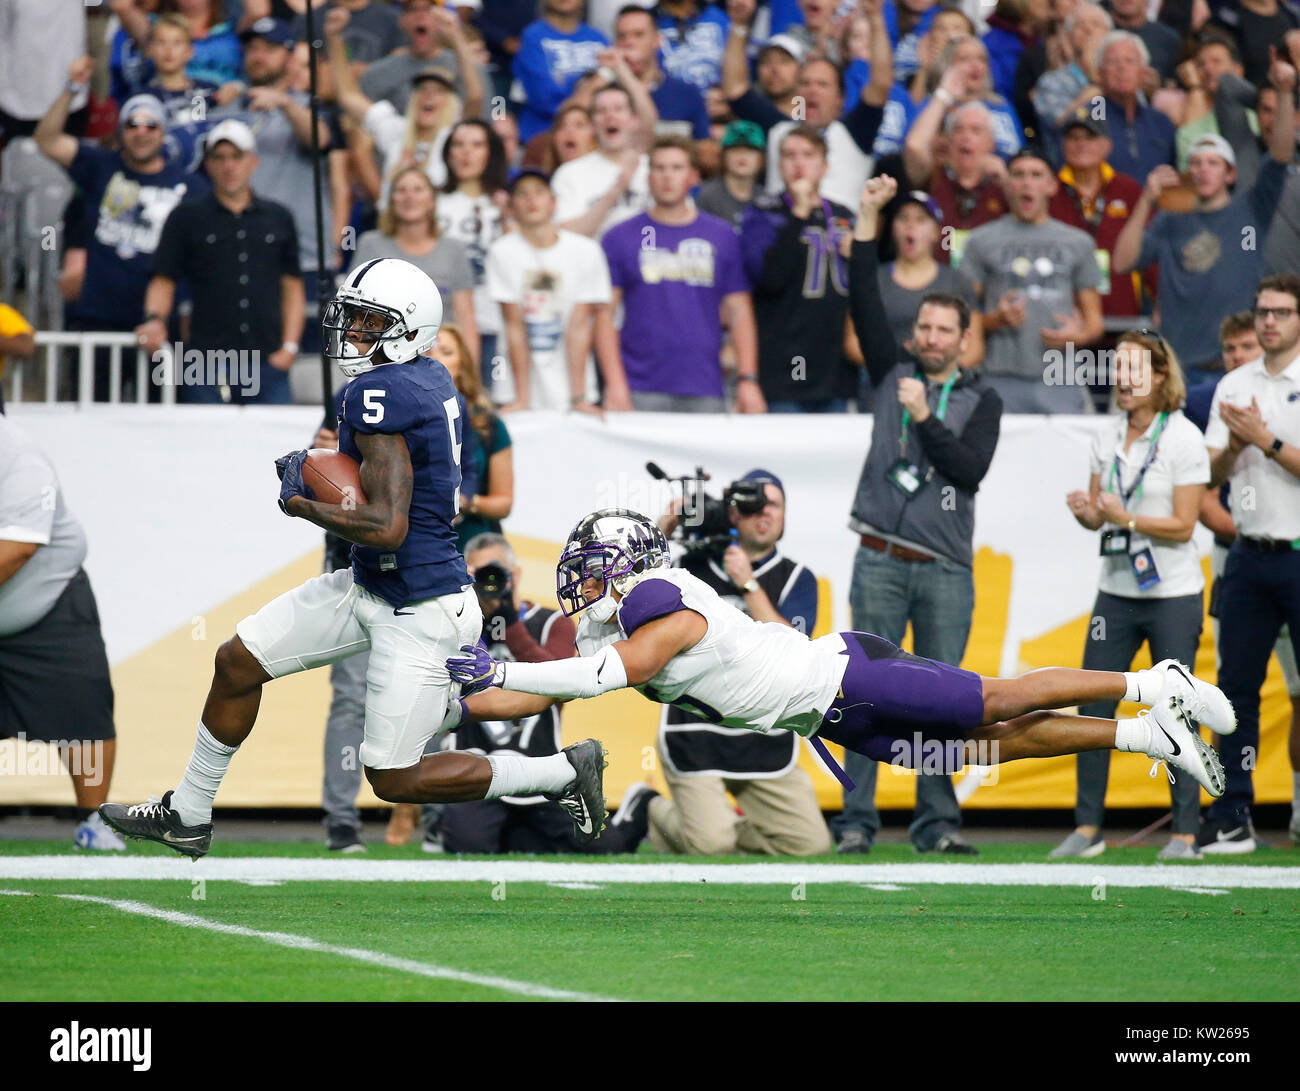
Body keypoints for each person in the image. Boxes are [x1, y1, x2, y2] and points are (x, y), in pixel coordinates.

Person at [100, 258, 608, 858]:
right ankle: (187, 813)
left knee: (394, 778)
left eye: (370, 321)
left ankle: (558, 773)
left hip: (418, 605)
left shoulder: (378, 393)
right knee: (238, 662)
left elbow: (386, 527)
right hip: (371, 584)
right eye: (355, 318)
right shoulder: (426, 376)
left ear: (409, 328)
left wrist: (302, 503)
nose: (354, 333)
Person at [446, 509, 1236, 821]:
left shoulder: (662, 599)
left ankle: (1153, 680)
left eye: (588, 571)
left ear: (621, 567)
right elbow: (538, 685)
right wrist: (462, 696)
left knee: (993, 701)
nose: (577, 587)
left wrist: (496, 674)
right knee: (975, 751)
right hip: (831, 713)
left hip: (846, 674)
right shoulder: (619, 616)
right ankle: (1143, 736)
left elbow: (589, 679)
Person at [831, 175, 1002, 855]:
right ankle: (855, 823)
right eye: (923, 326)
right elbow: (864, 296)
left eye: (943, 329)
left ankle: (937, 824)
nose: (929, 337)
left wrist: (926, 419)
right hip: (878, 556)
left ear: (964, 339)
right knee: (860, 696)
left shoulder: (981, 400)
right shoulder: (887, 370)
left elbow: (969, 470)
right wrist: (868, 216)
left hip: (944, 570)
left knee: (941, 702)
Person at [1057, 331, 1209, 859]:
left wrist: (1126, 517)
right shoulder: (1107, 434)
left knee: (1174, 707)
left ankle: (1186, 833)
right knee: (1093, 704)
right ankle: (1086, 829)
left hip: (1172, 592)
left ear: (1161, 376)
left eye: (1133, 368)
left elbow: (1186, 525)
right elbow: (1102, 513)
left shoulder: (1184, 437)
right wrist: (1088, 514)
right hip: (1116, 589)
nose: (1121, 378)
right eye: (1117, 367)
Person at [647, 471, 831, 856]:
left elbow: (796, 650)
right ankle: (647, 807)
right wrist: (661, 530)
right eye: (752, 506)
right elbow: (634, 590)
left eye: (774, 505)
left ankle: (721, 828)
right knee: (713, 848)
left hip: (762, 735)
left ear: (785, 516)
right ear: (732, 514)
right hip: (694, 730)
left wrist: (748, 584)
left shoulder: (798, 577)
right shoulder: (688, 568)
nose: (764, 514)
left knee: (810, 846)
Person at [1113, 54, 1296, 387]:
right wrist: (1145, 201)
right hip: (1178, 367)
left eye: (1213, 163)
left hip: (1238, 365)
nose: (1203, 170)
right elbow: (1123, 262)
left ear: (1230, 174)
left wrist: (1284, 92)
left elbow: (1281, 153)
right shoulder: (1169, 221)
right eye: (1195, 163)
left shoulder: (1252, 207)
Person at [1187, 311, 1300, 848]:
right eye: (1266, 312)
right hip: (1247, 555)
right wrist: (1236, 444)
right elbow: (1207, 478)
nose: (1272, 322)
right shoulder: (1231, 388)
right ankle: (1232, 814)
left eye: (1282, 313)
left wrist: (1267, 439)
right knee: (1233, 692)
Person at [34, 74, 202, 402]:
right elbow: (46, 139)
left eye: (151, 125)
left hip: (160, 329)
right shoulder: (99, 166)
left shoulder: (191, 187)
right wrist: (71, 87)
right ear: (121, 130)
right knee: (89, 421)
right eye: (132, 124)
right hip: (97, 321)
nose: (141, 132)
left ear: (163, 131)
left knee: (161, 429)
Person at [0, 414, 121, 851]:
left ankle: (93, 822)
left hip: (45, 602)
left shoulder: (18, 458)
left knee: (82, 712)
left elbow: (16, 550)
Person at [135, 119, 304, 404]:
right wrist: (154, 320)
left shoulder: (279, 217)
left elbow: (292, 287)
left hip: (267, 360)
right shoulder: (186, 217)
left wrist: (288, 348)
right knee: (203, 445)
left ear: (253, 162)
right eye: (220, 158)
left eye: (237, 157)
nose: (229, 166)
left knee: (277, 446)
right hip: (205, 361)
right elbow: (164, 278)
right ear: (209, 164)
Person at [601, 136, 762, 412]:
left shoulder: (721, 236)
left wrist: (748, 379)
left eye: (677, 168)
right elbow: (604, 314)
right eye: (659, 168)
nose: (667, 177)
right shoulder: (619, 237)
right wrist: (614, 383)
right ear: (648, 177)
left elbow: (739, 311)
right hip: (638, 386)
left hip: (705, 385)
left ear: (694, 177)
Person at [961, 148, 1104, 412]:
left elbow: (1095, 322)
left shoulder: (1079, 242)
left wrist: (1077, 335)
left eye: (1036, 175)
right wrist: (995, 320)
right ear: (1006, 184)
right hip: (999, 373)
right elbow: (961, 317)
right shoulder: (979, 240)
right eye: (1018, 175)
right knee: (999, 453)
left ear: (1051, 186)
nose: (1027, 182)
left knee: (1061, 454)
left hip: (1058, 374)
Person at [722, 0, 892, 211]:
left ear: (840, 98)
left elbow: (881, 84)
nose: (812, 91)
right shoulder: (780, 130)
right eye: (804, 83)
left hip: (839, 239)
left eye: (822, 85)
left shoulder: (854, 133)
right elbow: (734, 89)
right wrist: (738, 25)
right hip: (782, 236)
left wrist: (875, 19)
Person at [485, 169, 625, 411]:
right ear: (511, 206)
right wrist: (522, 399)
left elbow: (580, 326)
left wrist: (578, 398)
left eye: (539, 192)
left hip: (573, 386)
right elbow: (514, 325)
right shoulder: (501, 251)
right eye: (522, 194)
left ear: (553, 203)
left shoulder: (586, 251)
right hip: (514, 386)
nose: (531, 200)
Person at [740, 125, 857, 412]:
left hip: (835, 370)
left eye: (808, 155)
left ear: (825, 165)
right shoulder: (762, 213)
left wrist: (860, 255)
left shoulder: (844, 216)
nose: (799, 163)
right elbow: (769, 278)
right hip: (783, 367)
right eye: (790, 155)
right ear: (779, 165)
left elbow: (865, 290)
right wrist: (799, 215)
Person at [326, 6, 482, 209]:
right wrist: (334, 37)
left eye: (439, 91)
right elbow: (347, 96)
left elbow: (476, 97)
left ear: (450, 102)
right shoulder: (397, 131)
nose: (429, 96)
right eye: (422, 89)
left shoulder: (455, 138)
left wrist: (456, 39)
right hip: (394, 233)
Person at [351, 165, 480, 361]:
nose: (409, 196)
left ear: (432, 200)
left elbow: (466, 318)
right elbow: (356, 313)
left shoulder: (454, 249)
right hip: (383, 360)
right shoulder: (370, 245)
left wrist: (471, 376)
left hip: (439, 362)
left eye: (418, 189)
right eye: (401, 190)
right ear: (392, 200)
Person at [1046, 109, 1146, 324]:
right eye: (1073, 138)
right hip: (1064, 316)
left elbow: (1148, 245)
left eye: (1090, 137)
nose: (1081, 145)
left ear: (1107, 145)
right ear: (1063, 145)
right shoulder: (1049, 189)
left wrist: (1160, 300)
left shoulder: (1127, 189)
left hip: (1122, 311)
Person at [438, 120, 510, 385]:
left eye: (477, 145)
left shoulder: (509, 202)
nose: (466, 153)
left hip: (496, 323)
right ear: (447, 153)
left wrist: (509, 218)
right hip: (442, 329)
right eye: (458, 145)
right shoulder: (431, 202)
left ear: (491, 152)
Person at [899, 100, 1009, 267]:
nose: (966, 136)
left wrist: (1006, 181)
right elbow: (914, 146)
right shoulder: (934, 178)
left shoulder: (1002, 187)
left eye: (976, 130)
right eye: (958, 129)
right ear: (949, 141)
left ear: (991, 144)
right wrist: (943, 95)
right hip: (937, 283)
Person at [434, 323, 514, 550]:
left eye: (446, 352)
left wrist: (465, 502)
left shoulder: (488, 424)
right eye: (427, 353)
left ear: (462, 364)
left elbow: (504, 503)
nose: (436, 359)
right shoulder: (399, 415)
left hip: (473, 543)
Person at [614, 5, 718, 171]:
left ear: (657, 40)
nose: (629, 43)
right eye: (622, 37)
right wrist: (604, 74)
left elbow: (707, 161)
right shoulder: (606, 94)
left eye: (638, 35)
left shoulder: (687, 93)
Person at [551, 82, 654, 239]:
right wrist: (616, 190)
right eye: (601, 111)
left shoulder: (657, 168)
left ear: (634, 120)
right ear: (592, 124)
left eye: (618, 109)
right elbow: (564, 237)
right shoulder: (569, 174)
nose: (610, 116)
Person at [360, 0, 489, 112]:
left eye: (429, 9)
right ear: (401, 20)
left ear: (443, 17)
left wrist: (455, 36)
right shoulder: (376, 74)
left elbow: (491, 115)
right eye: (412, 9)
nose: (420, 15)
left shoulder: (473, 71)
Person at [513, 0, 609, 141]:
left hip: (595, 139)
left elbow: (610, 93)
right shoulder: (533, 36)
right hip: (544, 138)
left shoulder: (598, 38)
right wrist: (595, 83)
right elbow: (546, 101)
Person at [1092, 30, 1176, 183]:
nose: (1121, 67)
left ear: (1144, 72)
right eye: (1112, 61)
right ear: (1099, 73)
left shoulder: (1161, 123)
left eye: (1130, 61)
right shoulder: (1088, 120)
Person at [695, 119, 766, 229]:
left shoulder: (766, 199)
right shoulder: (706, 196)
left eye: (750, 150)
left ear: (761, 159)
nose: (742, 155)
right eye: (735, 150)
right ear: (723, 156)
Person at [653, 0, 731, 93]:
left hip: (719, 100)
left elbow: (741, 71)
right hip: (668, 102)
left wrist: (724, 95)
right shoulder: (644, 23)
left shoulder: (719, 17)